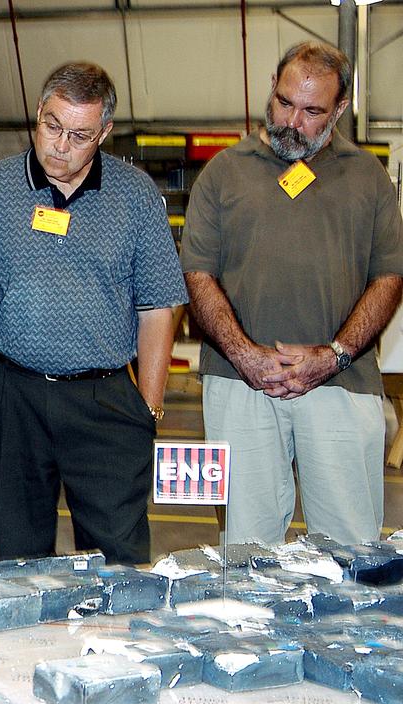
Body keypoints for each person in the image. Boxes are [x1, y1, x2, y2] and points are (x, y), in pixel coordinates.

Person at [182, 41, 403, 545]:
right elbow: (197, 274)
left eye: (311, 111)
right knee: (247, 547)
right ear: (272, 88)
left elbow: (388, 277)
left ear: (340, 109)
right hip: (240, 385)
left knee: (350, 547)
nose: (292, 121)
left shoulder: (368, 178)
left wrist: (334, 356)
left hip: (341, 385)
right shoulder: (222, 173)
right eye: (283, 102)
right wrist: (246, 357)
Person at [0, 62, 185, 564]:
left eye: (80, 135)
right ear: (37, 114)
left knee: (119, 562)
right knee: (16, 562)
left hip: (103, 399)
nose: (60, 145)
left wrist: (145, 413)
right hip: (12, 395)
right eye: (52, 126)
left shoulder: (136, 198)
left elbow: (157, 308)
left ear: (104, 132)